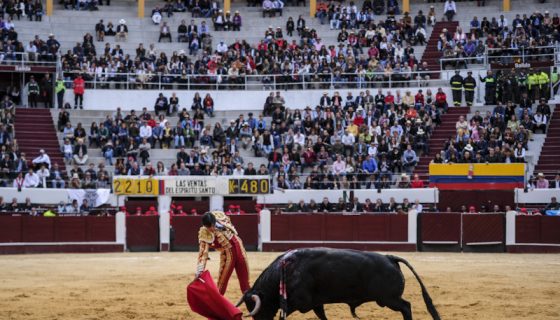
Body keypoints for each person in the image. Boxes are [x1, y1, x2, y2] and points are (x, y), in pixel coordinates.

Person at [195, 211, 250, 295]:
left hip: (239, 247)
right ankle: (216, 306)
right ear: (205, 226)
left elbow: (231, 228)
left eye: (213, 225)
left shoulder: (220, 217)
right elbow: (203, 253)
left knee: (245, 283)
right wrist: (200, 270)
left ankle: (251, 304)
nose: (212, 228)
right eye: (209, 227)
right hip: (227, 255)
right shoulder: (204, 233)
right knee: (221, 285)